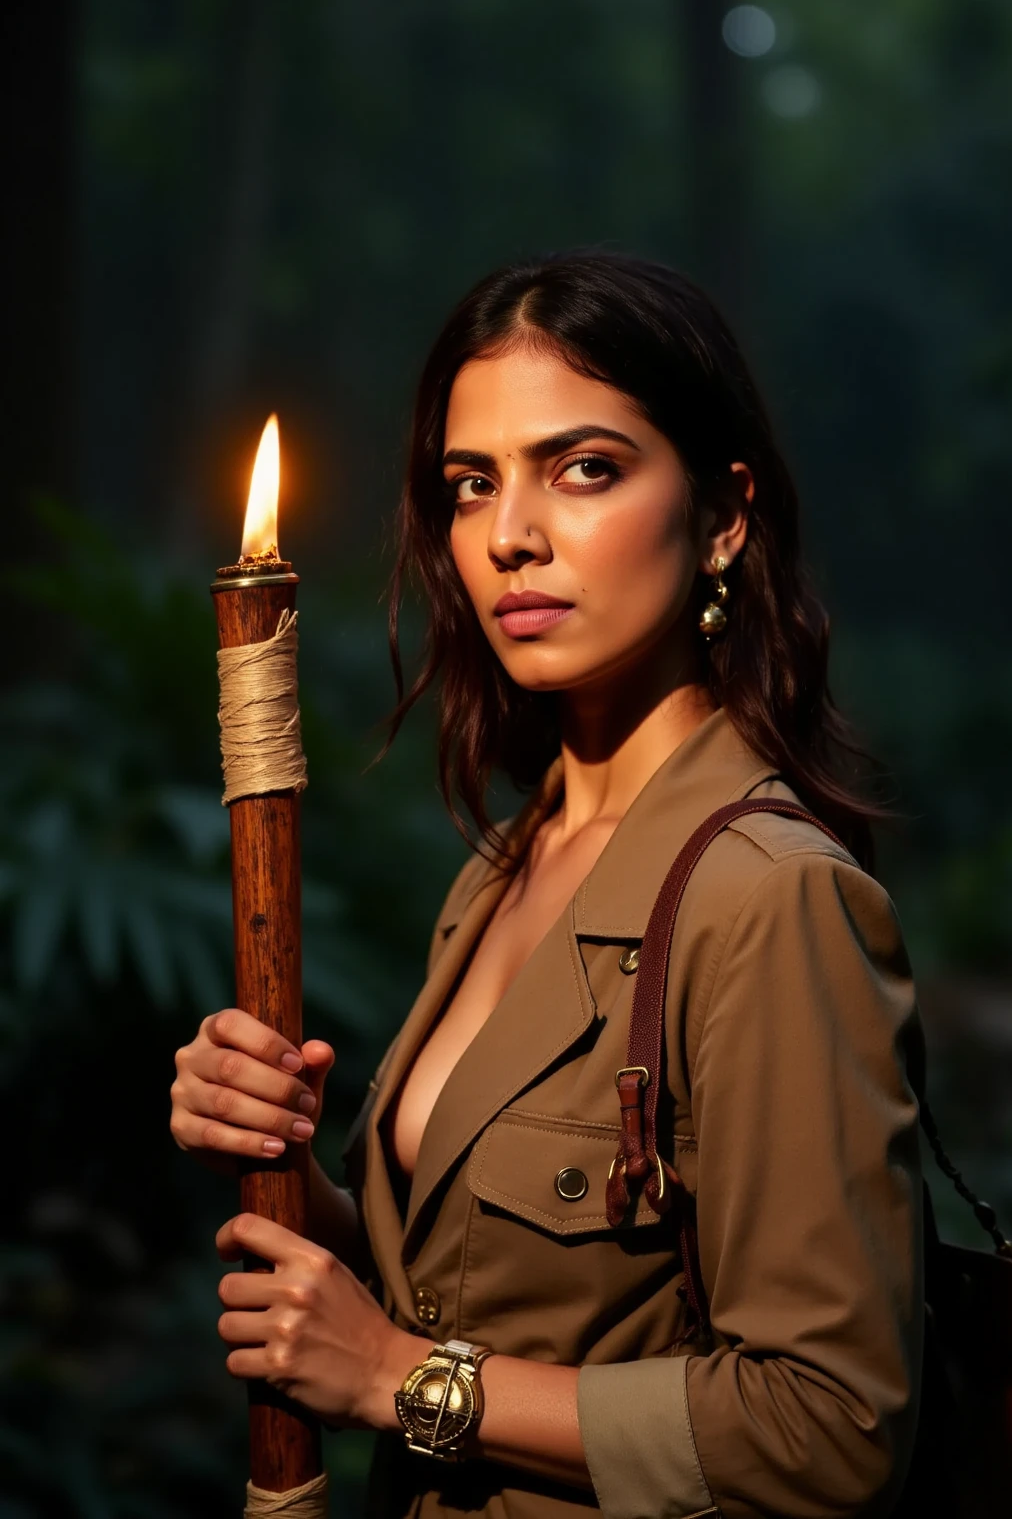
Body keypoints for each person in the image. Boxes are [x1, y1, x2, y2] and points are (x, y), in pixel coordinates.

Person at [170, 252, 929, 1518]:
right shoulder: (505, 865)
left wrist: (400, 1381)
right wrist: (277, 1161)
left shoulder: (769, 897)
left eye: (584, 468)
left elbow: (831, 1426)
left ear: (724, 512)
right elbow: (464, 1289)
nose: (510, 535)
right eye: (472, 485)